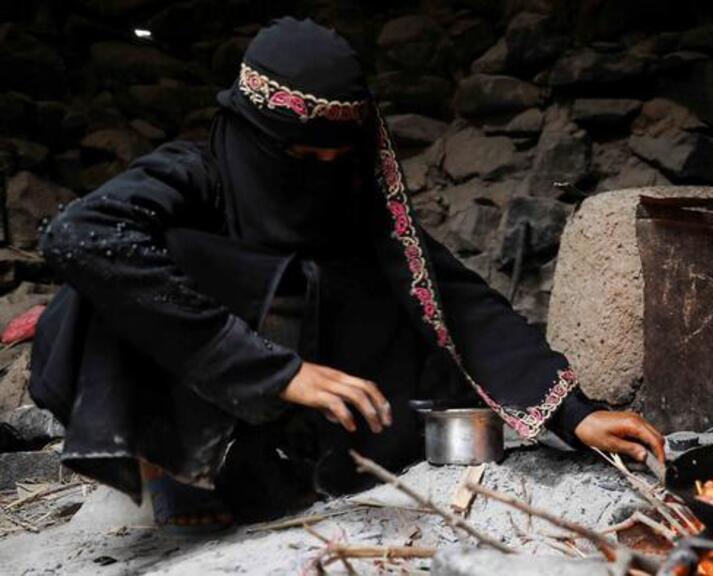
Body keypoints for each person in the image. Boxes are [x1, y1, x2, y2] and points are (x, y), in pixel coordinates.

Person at [28, 17, 664, 530]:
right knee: (141, 256)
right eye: (302, 155)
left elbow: (452, 296)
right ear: (254, 132)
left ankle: (282, 462)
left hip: (303, 406)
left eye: (337, 156)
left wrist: (571, 412)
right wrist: (274, 371)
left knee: (388, 284)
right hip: (210, 387)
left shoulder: (351, 196)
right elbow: (77, 235)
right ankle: (172, 470)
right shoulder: (198, 174)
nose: (321, 171)